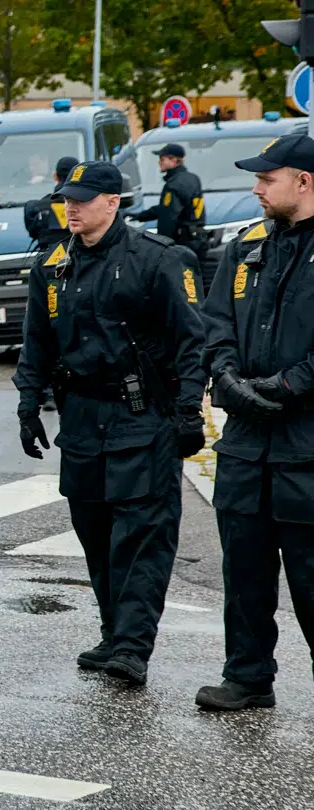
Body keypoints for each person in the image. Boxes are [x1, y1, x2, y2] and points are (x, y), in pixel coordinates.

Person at [13, 161, 206, 687]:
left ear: (112, 203)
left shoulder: (158, 260)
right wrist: (28, 404)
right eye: (66, 199)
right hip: (82, 419)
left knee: (142, 537)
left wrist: (190, 410)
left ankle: (132, 647)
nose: (71, 207)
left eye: (82, 198)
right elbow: (37, 340)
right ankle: (112, 631)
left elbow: (194, 341)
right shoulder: (53, 264)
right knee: (94, 534)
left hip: (142, 416)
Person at [196, 134, 314, 711]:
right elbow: (215, 322)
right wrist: (227, 376)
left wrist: (291, 385)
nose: (256, 188)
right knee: (244, 575)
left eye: (267, 179)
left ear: (304, 181)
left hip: (306, 446)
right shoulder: (247, 245)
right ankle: (247, 677)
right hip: (246, 446)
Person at [134, 144, 207, 262]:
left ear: (174, 161)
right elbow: (166, 208)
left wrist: (162, 245)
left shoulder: (174, 184)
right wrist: (140, 216)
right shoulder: (192, 178)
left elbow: (168, 217)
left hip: (182, 241)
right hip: (198, 238)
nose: (159, 163)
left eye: (162, 159)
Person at [24, 156, 78, 250]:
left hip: (48, 262)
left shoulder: (35, 208)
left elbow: (33, 232)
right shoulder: (90, 206)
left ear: (55, 176)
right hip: (83, 262)